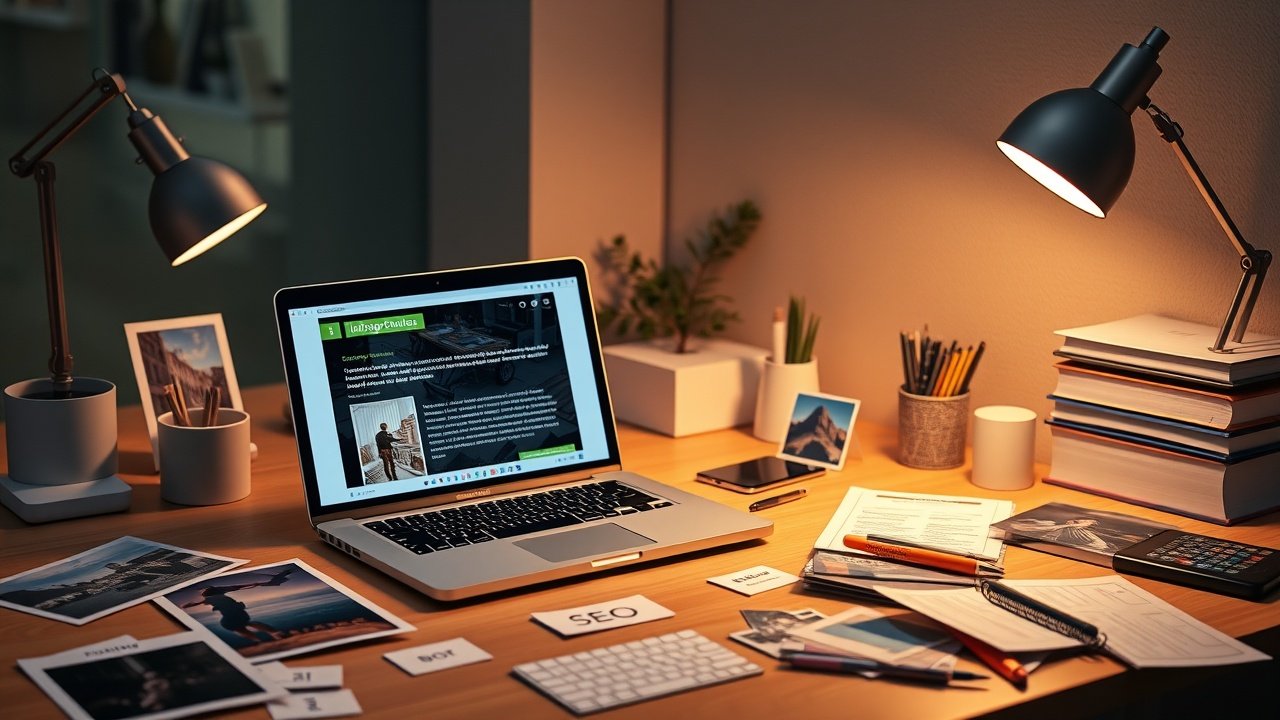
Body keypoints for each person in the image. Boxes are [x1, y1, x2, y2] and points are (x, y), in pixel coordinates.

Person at [180, 569, 292, 644]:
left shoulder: (211, 598)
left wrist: (188, 605)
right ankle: (272, 634)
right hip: (236, 615)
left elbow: (198, 602)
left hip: (231, 619)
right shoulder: (216, 596)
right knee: (248, 625)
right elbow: (237, 587)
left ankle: (266, 638)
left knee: (245, 627)